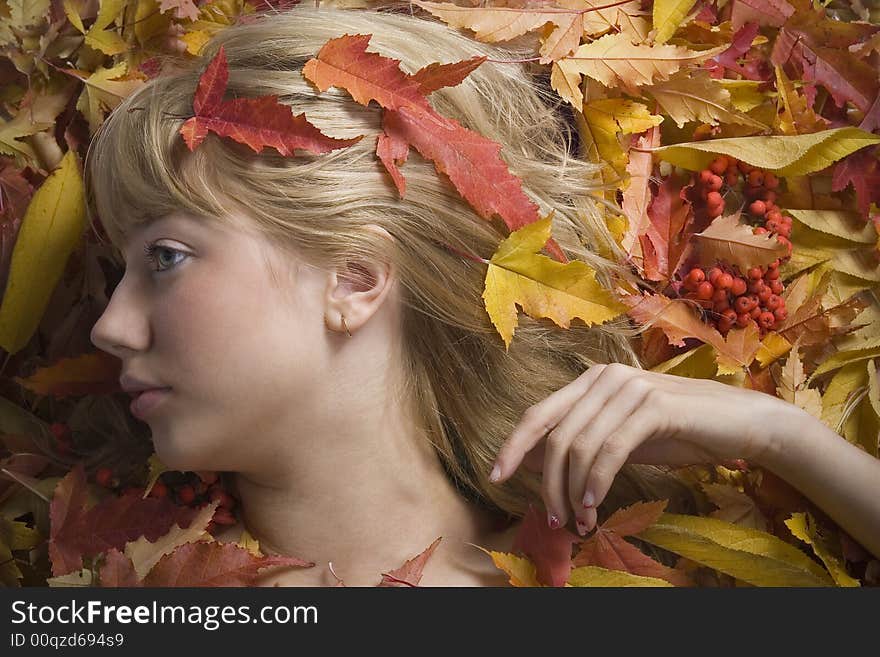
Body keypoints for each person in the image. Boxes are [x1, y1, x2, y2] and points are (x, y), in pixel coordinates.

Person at [85, 4, 880, 586]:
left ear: (354, 281)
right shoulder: (97, 594)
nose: (109, 327)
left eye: (166, 258)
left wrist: (784, 439)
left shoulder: (625, 577)